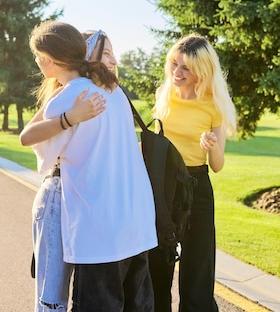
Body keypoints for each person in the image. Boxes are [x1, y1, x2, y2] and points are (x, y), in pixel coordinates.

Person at [23, 21, 157, 312]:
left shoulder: (70, 99)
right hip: (135, 225)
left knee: (60, 300)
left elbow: (29, 140)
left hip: (97, 231)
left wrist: (63, 110)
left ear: (48, 60)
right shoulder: (116, 92)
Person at [20, 28, 116, 311]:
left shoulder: (89, 93)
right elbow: (27, 136)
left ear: (50, 60)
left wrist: (69, 116)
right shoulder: (69, 95)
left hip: (71, 197)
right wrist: (69, 117)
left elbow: (26, 136)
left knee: (55, 297)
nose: (36, 62)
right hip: (62, 195)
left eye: (38, 56)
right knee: (53, 296)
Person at [151, 34, 236, 312]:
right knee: (158, 260)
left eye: (185, 68)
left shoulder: (213, 106)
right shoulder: (164, 97)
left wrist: (211, 146)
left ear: (202, 71)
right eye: (174, 64)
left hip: (197, 186)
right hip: (163, 185)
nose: (177, 72)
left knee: (198, 263)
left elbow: (218, 164)